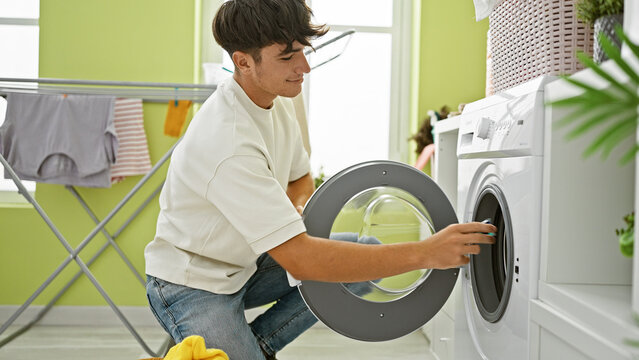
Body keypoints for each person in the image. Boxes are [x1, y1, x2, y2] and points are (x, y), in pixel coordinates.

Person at [144, 0, 497, 359]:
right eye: (287, 57)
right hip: (191, 282)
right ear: (243, 61)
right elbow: (302, 261)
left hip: (247, 264)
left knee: (367, 255)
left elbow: (299, 178)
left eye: (303, 50)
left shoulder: (277, 103)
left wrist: (295, 212)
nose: (304, 67)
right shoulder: (228, 142)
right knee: (316, 260)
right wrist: (426, 252)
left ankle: (256, 348)